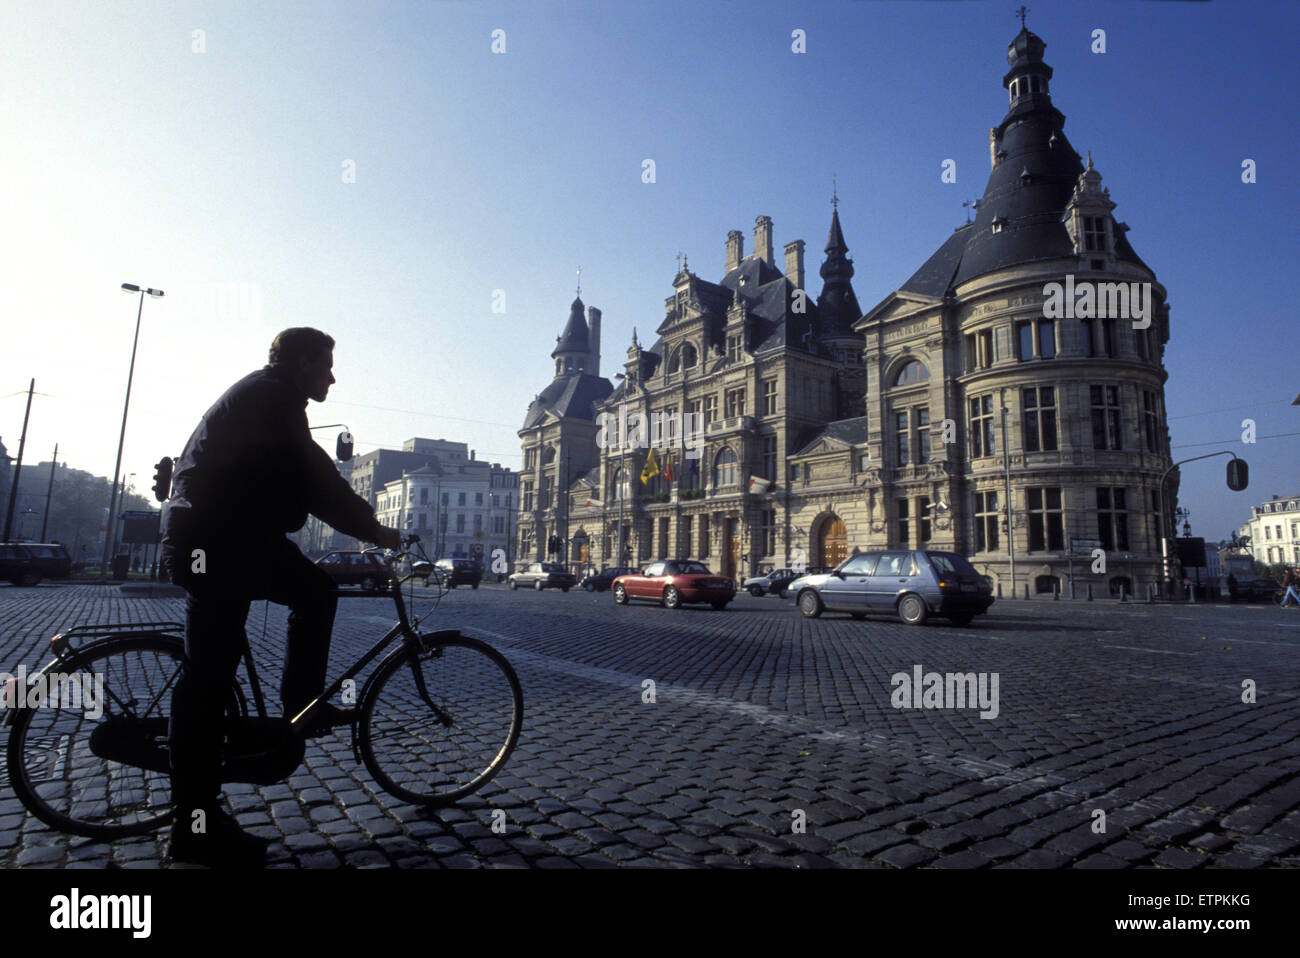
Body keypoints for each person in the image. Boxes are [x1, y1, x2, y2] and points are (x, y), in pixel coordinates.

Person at [161, 328, 401, 867]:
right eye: (325, 366)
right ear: (298, 364)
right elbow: (315, 477)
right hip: (217, 542)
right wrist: (375, 529)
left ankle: (300, 709)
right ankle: (193, 826)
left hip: (227, 536)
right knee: (208, 681)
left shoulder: (270, 395)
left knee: (310, 593)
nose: (332, 377)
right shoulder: (275, 400)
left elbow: (300, 477)